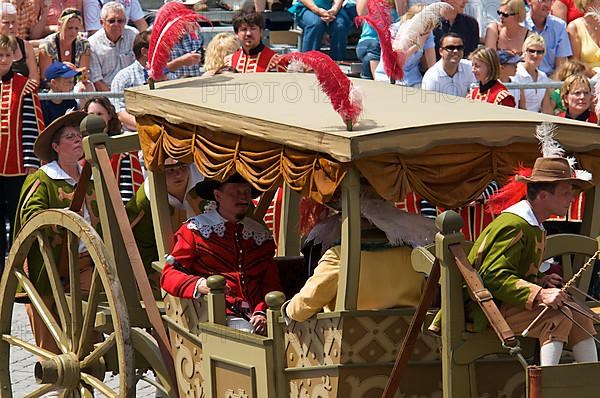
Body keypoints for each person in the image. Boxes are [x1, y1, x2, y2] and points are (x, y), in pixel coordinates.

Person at [432, 151, 597, 367]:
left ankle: (592, 383)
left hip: (506, 302)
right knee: (558, 317)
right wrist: (540, 293)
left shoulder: (532, 224)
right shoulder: (514, 225)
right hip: (482, 309)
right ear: (544, 196)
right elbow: (492, 276)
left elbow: (514, 270)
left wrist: (540, 280)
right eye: (566, 193)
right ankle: (544, 385)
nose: (572, 198)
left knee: (580, 314)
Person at [15, 111, 98, 357]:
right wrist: (62, 219)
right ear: (56, 146)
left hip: (84, 264)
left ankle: (86, 360)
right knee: (50, 333)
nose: (77, 140)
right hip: (48, 266)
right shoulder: (43, 179)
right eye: (70, 137)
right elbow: (30, 217)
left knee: (88, 321)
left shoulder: (90, 177)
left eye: (79, 136)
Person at [282, 188, 434, 322]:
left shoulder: (338, 256)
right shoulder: (411, 253)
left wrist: (286, 310)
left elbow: (303, 307)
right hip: (412, 341)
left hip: (351, 347)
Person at [160, 174, 283, 336]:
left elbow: (271, 284)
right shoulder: (196, 231)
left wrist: (262, 311)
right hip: (215, 319)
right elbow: (169, 275)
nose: (243, 197)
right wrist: (200, 285)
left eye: (246, 192)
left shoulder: (260, 236)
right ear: (218, 195)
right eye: (235, 191)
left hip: (260, 320)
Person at [0, 34, 44, 274]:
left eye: (7, 55)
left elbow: (31, 127)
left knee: (18, 223)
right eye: (0, 55)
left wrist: (31, 161)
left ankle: (17, 274)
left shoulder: (23, 85)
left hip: (17, 169)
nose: (3, 59)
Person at [82, 96, 144, 203]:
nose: (96, 119)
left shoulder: (123, 149)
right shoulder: (78, 147)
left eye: (100, 114)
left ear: (109, 115)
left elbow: (128, 193)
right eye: (91, 115)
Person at [373, 4, 436, 86]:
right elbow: (397, 60)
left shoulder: (426, 32)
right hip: (388, 78)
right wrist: (418, 44)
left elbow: (432, 65)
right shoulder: (394, 30)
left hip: (413, 79)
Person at [88, 2, 137, 91]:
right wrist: (113, 99)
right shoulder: (92, 44)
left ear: (125, 21)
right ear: (102, 22)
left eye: (120, 21)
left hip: (133, 90)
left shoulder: (134, 36)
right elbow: (97, 80)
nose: (116, 24)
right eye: (111, 21)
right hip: (107, 93)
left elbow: (140, 69)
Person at [38, 8, 91, 82]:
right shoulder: (48, 45)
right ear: (59, 25)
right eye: (70, 28)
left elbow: (83, 76)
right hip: (53, 87)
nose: (73, 32)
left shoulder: (84, 44)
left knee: (87, 87)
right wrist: (63, 69)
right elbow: (45, 78)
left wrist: (81, 76)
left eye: (76, 28)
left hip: (75, 86)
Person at [111, 31, 149, 131]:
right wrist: (147, 129)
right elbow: (119, 112)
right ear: (144, 52)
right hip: (133, 134)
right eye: (158, 48)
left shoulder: (170, 76)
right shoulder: (123, 78)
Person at [525, 0, 572, 76]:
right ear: (529, 1)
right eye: (542, 0)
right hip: (524, 81)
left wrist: (549, 85)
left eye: (550, 1)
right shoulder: (520, 25)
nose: (547, 4)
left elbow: (561, 66)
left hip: (551, 80)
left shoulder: (559, 26)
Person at [355, 0, 400, 79]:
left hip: (391, 42)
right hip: (369, 41)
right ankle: (379, 81)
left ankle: (370, 81)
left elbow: (402, 17)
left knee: (367, 60)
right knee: (375, 47)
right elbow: (361, 13)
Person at [422, 32, 477, 97]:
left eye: (459, 48)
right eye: (450, 48)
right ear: (441, 51)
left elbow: (475, 94)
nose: (456, 51)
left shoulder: (470, 67)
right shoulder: (432, 77)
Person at [511, 34, 553, 113]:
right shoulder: (516, 73)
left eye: (540, 52)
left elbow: (546, 107)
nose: (535, 55)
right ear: (524, 51)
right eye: (532, 51)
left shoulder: (543, 76)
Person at [0, 2, 39, 82]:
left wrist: (22, 91)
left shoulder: (26, 47)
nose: (11, 26)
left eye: (13, 22)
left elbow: (34, 78)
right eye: (6, 23)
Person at [567, 0, 600, 77]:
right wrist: (597, 76)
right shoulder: (574, 28)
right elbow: (575, 64)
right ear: (586, 3)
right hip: (588, 81)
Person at [83, 0, 148, 35]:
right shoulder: (91, 2)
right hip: (103, 43)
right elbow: (95, 33)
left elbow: (142, 26)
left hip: (125, 40)